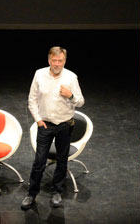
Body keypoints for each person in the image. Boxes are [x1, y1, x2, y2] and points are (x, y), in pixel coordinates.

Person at [22, 46, 85, 209]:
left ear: (65, 61)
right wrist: (37, 119)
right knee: (39, 161)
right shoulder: (39, 74)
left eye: (60, 61)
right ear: (49, 60)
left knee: (62, 160)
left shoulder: (71, 77)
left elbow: (81, 101)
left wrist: (70, 95)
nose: (57, 64)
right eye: (54, 60)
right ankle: (31, 194)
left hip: (65, 125)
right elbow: (32, 99)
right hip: (45, 125)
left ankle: (57, 191)